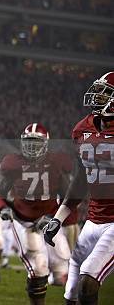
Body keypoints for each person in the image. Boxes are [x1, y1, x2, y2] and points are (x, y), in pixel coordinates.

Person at [44, 71, 114, 305]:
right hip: (94, 219)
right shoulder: (82, 129)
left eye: (105, 95)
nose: (97, 99)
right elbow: (82, 177)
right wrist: (58, 217)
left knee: (88, 280)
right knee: (72, 284)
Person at [0, 123, 73, 305]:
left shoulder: (57, 162)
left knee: (63, 270)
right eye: (28, 142)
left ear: (46, 143)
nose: (31, 147)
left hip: (49, 221)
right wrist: (3, 207)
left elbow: (69, 197)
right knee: (38, 267)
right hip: (24, 222)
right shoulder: (12, 162)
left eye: (36, 142)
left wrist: (53, 217)